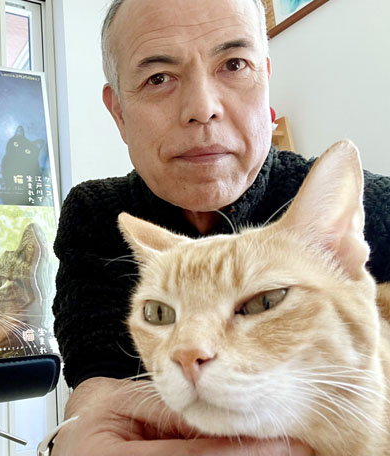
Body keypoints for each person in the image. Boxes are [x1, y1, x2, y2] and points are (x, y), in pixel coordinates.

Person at [50, 0, 390, 454]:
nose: (202, 108)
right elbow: (100, 382)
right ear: (119, 114)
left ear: (265, 79)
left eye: (234, 64)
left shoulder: (375, 204)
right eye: (159, 78)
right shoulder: (97, 212)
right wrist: (70, 438)